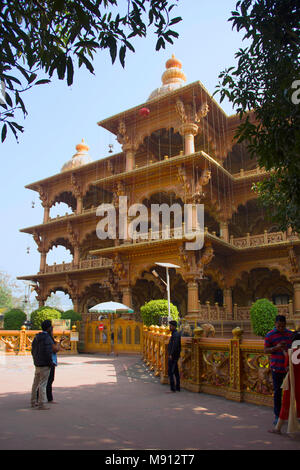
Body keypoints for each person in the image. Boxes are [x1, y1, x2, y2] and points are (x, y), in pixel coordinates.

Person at [269, 331, 300, 435]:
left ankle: (278, 428)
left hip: (292, 383)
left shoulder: (292, 352)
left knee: (286, 404)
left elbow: (287, 367)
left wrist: (283, 351)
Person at [264, 315, 293, 424]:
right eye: (279, 326)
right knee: (277, 392)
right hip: (276, 367)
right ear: (275, 324)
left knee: (290, 393)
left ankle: (290, 414)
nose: (281, 328)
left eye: (283, 326)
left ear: (285, 324)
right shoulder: (270, 335)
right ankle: (277, 415)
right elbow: (265, 350)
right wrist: (276, 348)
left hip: (288, 368)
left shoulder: (290, 334)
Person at [30, 319, 54, 410]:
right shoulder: (47, 338)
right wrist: (50, 363)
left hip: (37, 363)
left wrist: (36, 360)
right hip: (45, 364)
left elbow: (33, 351)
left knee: (35, 383)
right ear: (49, 328)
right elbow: (48, 352)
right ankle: (41, 404)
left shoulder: (37, 337)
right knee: (43, 384)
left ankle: (33, 401)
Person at [167, 320, 181, 393]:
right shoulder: (174, 334)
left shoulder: (175, 335)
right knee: (176, 372)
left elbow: (175, 346)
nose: (170, 327)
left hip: (173, 356)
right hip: (174, 356)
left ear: (174, 327)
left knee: (171, 372)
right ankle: (177, 387)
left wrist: (171, 354)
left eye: (171, 326)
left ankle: (173, 388)